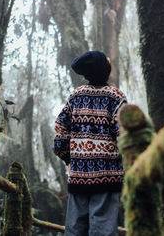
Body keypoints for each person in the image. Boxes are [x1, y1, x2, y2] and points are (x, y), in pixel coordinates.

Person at [53, 51, 127, 236]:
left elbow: (60, 132)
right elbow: (124, 137)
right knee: (103, 229)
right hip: (108, 176)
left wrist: (70, 160)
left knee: (75, 228)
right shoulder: (115, 98)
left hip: (78, 175)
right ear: (105, 71)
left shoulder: (75, 97)